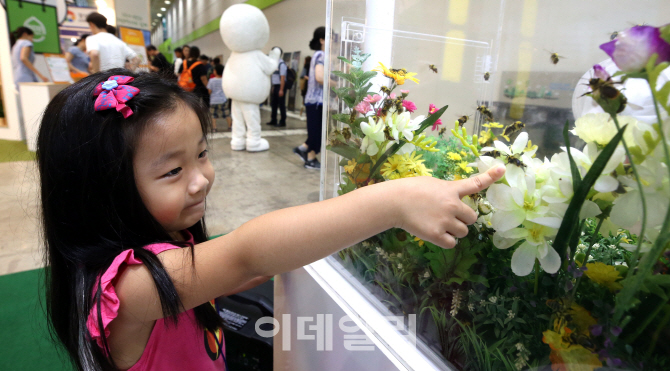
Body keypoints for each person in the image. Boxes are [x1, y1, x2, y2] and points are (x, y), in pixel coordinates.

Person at [37, 69, 504, 370]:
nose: (200, 180)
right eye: (173, 171)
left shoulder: (168, 248)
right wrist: (396, 200)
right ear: (100, 191)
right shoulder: (127, 288)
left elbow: (247, 265)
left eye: (202, 154)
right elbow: (245, 255)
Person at [294, 27, 325, 169]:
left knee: (315, 129)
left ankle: (302, 148)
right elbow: (319, 77)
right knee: (317, 131)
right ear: (322, 40)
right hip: (317, 101)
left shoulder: (317, 54)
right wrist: (337, 83)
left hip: (314, 100)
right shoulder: (321, 55)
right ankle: (311, 159)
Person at [266, 47, 287, 127]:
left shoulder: (281, 64)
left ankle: (282, 121)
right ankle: (273, 120)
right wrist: (273, 87)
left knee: (281, 104)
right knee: (273, 104)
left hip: (280, 86)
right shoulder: (274, 63)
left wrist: (281, 89)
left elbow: (282, 77)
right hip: (275, 86)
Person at [208, 64, 231, 131]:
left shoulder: (211, 80)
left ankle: (214, 128)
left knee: (213, 115)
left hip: (214, 100)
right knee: (227, 114)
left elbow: (209, 91)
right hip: (223, 100)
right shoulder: (225, 80)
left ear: (215, 71)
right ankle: (230, 127)